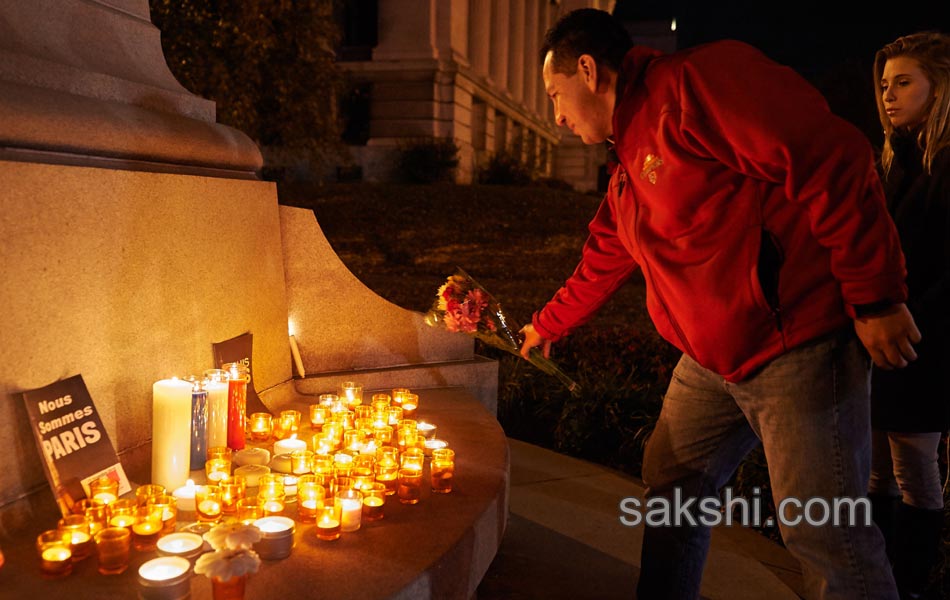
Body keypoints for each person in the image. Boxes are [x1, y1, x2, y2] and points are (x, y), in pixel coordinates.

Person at [520, 8, 922, 600]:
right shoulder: (626, 157)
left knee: (823, 533)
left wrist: (876, 298)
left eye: (556, 94)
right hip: (711, 363)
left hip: (796, 345)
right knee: (672, 481)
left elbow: (829, 157)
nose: (554, 114)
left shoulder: (695, 86)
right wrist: (547, 325)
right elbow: (606, 252)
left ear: (588, 70)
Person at [866, 31, 950, 600]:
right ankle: (881, 581)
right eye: (885, 85)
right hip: (888, 342)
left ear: (938, 88)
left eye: (903, 83)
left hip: (926, 343)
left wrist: (908, 321)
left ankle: (910, 585)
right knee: (879, 471)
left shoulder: (946, 164)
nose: (889, 96)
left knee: (917, 475)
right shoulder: (901, 159)